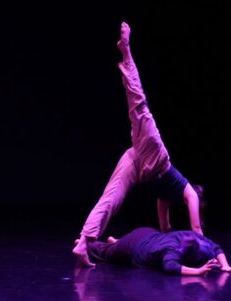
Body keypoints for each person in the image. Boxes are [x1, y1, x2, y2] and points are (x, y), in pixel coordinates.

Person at [73, 22, 204, 267]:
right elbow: (196, 229)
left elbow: (165, 230)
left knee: (112, 196)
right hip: (155, 157)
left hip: (140, 163)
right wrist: (207, 252)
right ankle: (126, 51)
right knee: (139, 105)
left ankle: (83, 243)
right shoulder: (189, 193)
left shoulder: (165, 198)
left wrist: (170, 250)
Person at [87, 227, 231, 276]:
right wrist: (198, 271)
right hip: (131, 249)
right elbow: (170, 267)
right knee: (105, 253)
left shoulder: (193, 236)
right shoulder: (171, 251)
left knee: (119, 243)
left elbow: (215, 247)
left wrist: (225, 265)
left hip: (146, 233)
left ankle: (116, 240)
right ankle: (87, 244)